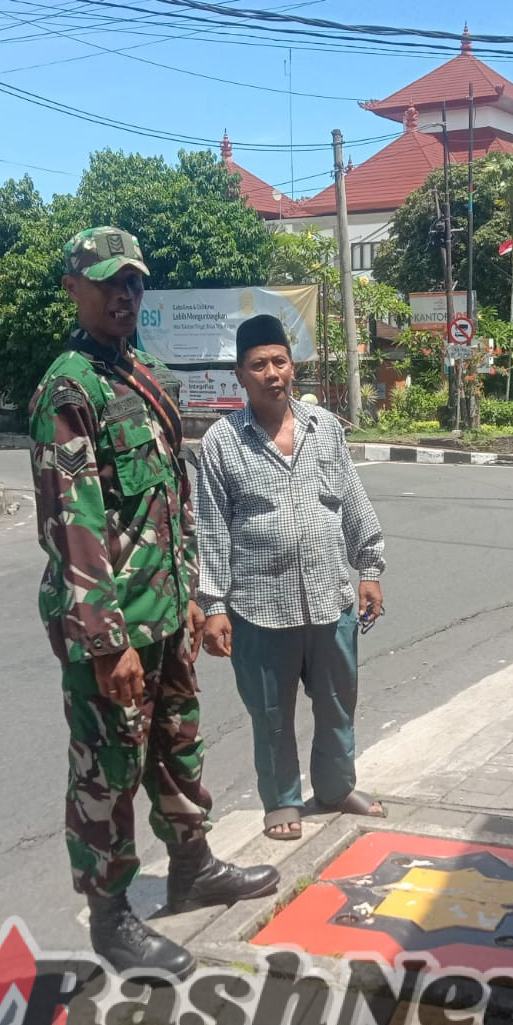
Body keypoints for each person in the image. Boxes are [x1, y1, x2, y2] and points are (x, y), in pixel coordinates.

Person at [28, 226, 278, 979]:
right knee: (107, 771)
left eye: (132, 282)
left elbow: (174, 498)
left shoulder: (139, 375)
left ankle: (192, 865)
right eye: (107, 283)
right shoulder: (69, 389)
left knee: (177, 745)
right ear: (74, 288)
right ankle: (111, 922)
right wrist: (107, 642)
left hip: (166, 614)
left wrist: (197, 597)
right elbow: (75, 525)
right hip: (114, 629)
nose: (123, 296)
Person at [196, 314, 387, 843]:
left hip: (330, 598)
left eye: (279, 361)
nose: (271, 373)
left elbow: (350, 498)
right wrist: (212, 605)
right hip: (260, 608)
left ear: (292, 366)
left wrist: (368, 568)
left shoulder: (323, 428)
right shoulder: (220, 443)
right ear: (240, 375)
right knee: (272, 714)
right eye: (258, 365)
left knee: (337, 704)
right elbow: (211, 526)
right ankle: (281, 801)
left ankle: (334, 788)